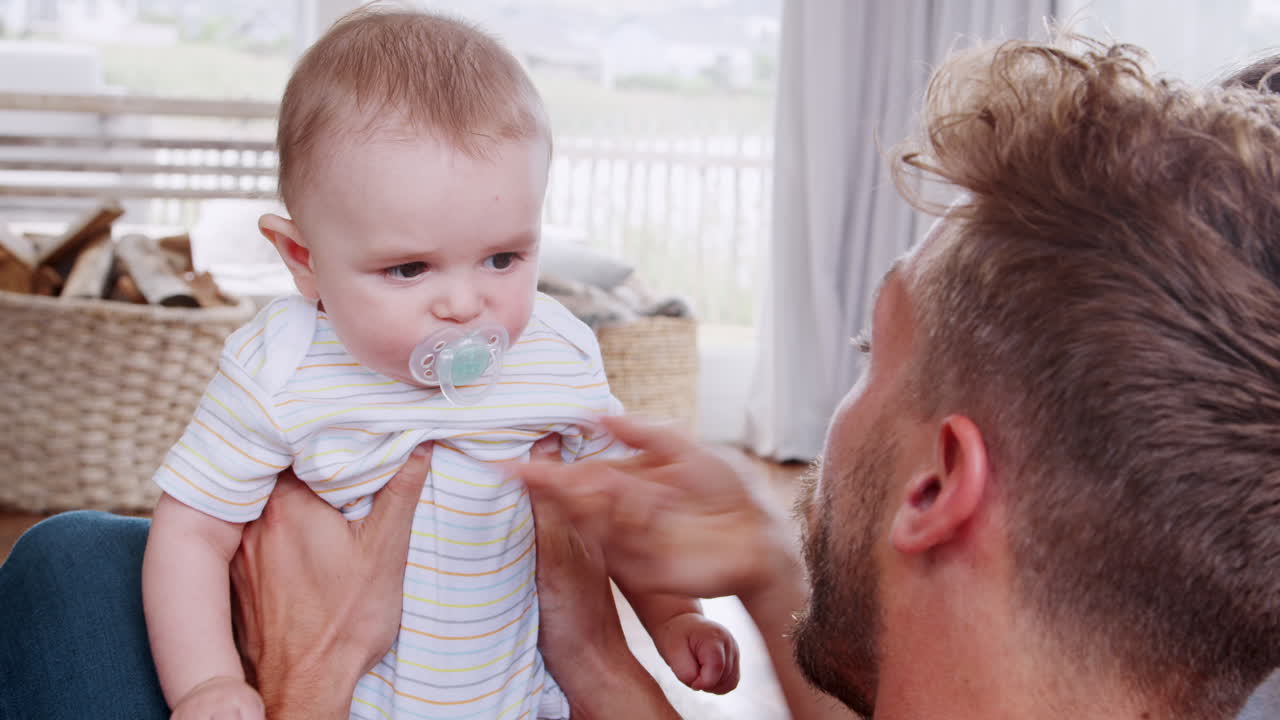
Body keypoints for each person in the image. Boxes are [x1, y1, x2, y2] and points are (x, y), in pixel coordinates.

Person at [5, 30, 1280, 720]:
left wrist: (304, 678)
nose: (464, 297)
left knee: (70, 565)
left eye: (861, 361)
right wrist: (658, 633)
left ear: (940, 483)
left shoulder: (541, 345)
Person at [140, 7, 735, 720]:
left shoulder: (556, 350)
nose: (464, 305)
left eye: (503, 258)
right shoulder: (281, 366)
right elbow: (192, 530)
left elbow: (622, 505)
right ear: (304, 260)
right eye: (409, 268)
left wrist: (673, 615)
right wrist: (207, 683)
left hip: (522, 701)